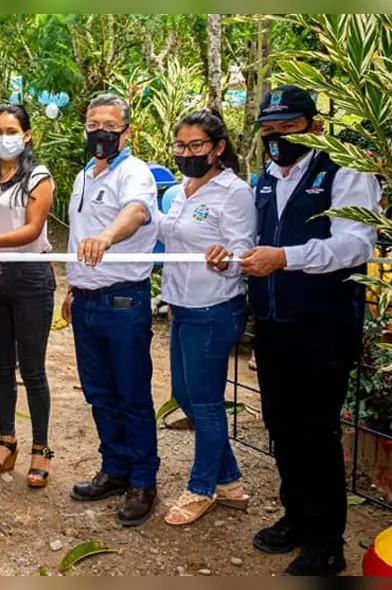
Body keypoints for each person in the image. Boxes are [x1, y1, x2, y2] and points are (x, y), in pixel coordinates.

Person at [212, 85, 380, 575]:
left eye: (288, 127)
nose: (278, 138)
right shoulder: (266, 178)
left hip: (323, 324)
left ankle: (327, 542)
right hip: (273, 323)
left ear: (314, 126)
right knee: (282, 427)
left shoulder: (345, 171)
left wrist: (286, 258)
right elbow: (255, 242)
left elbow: (354, 245)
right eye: (269, 129)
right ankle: (296, 518)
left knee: (317, 431)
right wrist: (232, 254)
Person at [62, 94, 159, 526]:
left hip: (122, 300)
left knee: (132, 394)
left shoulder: (135, 173)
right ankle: (115, 468)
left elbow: (136, 213)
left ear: (126, 131)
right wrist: (72, 287)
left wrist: (107, 237)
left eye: (109, 124)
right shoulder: (85, 173)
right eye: (92, 123)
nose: (99, 131)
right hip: (86, 300)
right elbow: (76, 236)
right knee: (99, 393)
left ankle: (143, 481)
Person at [156, 109, 256, 526]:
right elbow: (172, 234)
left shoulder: (234, 193)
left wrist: (225, 259)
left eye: (196, 145)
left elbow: (243, 252)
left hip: (214, 309)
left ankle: (201, 488)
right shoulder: (185, 186)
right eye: (181, 145)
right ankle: (230, 480)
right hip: (182, 305)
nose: (187, 152)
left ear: (218, 148)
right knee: (186, 393)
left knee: (207, 403)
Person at [0, 104, 56, 488]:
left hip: (31, 277)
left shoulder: (38, 178)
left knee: (32, 369)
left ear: (27, 135)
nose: (4, 137)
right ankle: (7, 441)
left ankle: (41, 449)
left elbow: (34, 230)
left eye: (11, 130)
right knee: (1, 366)